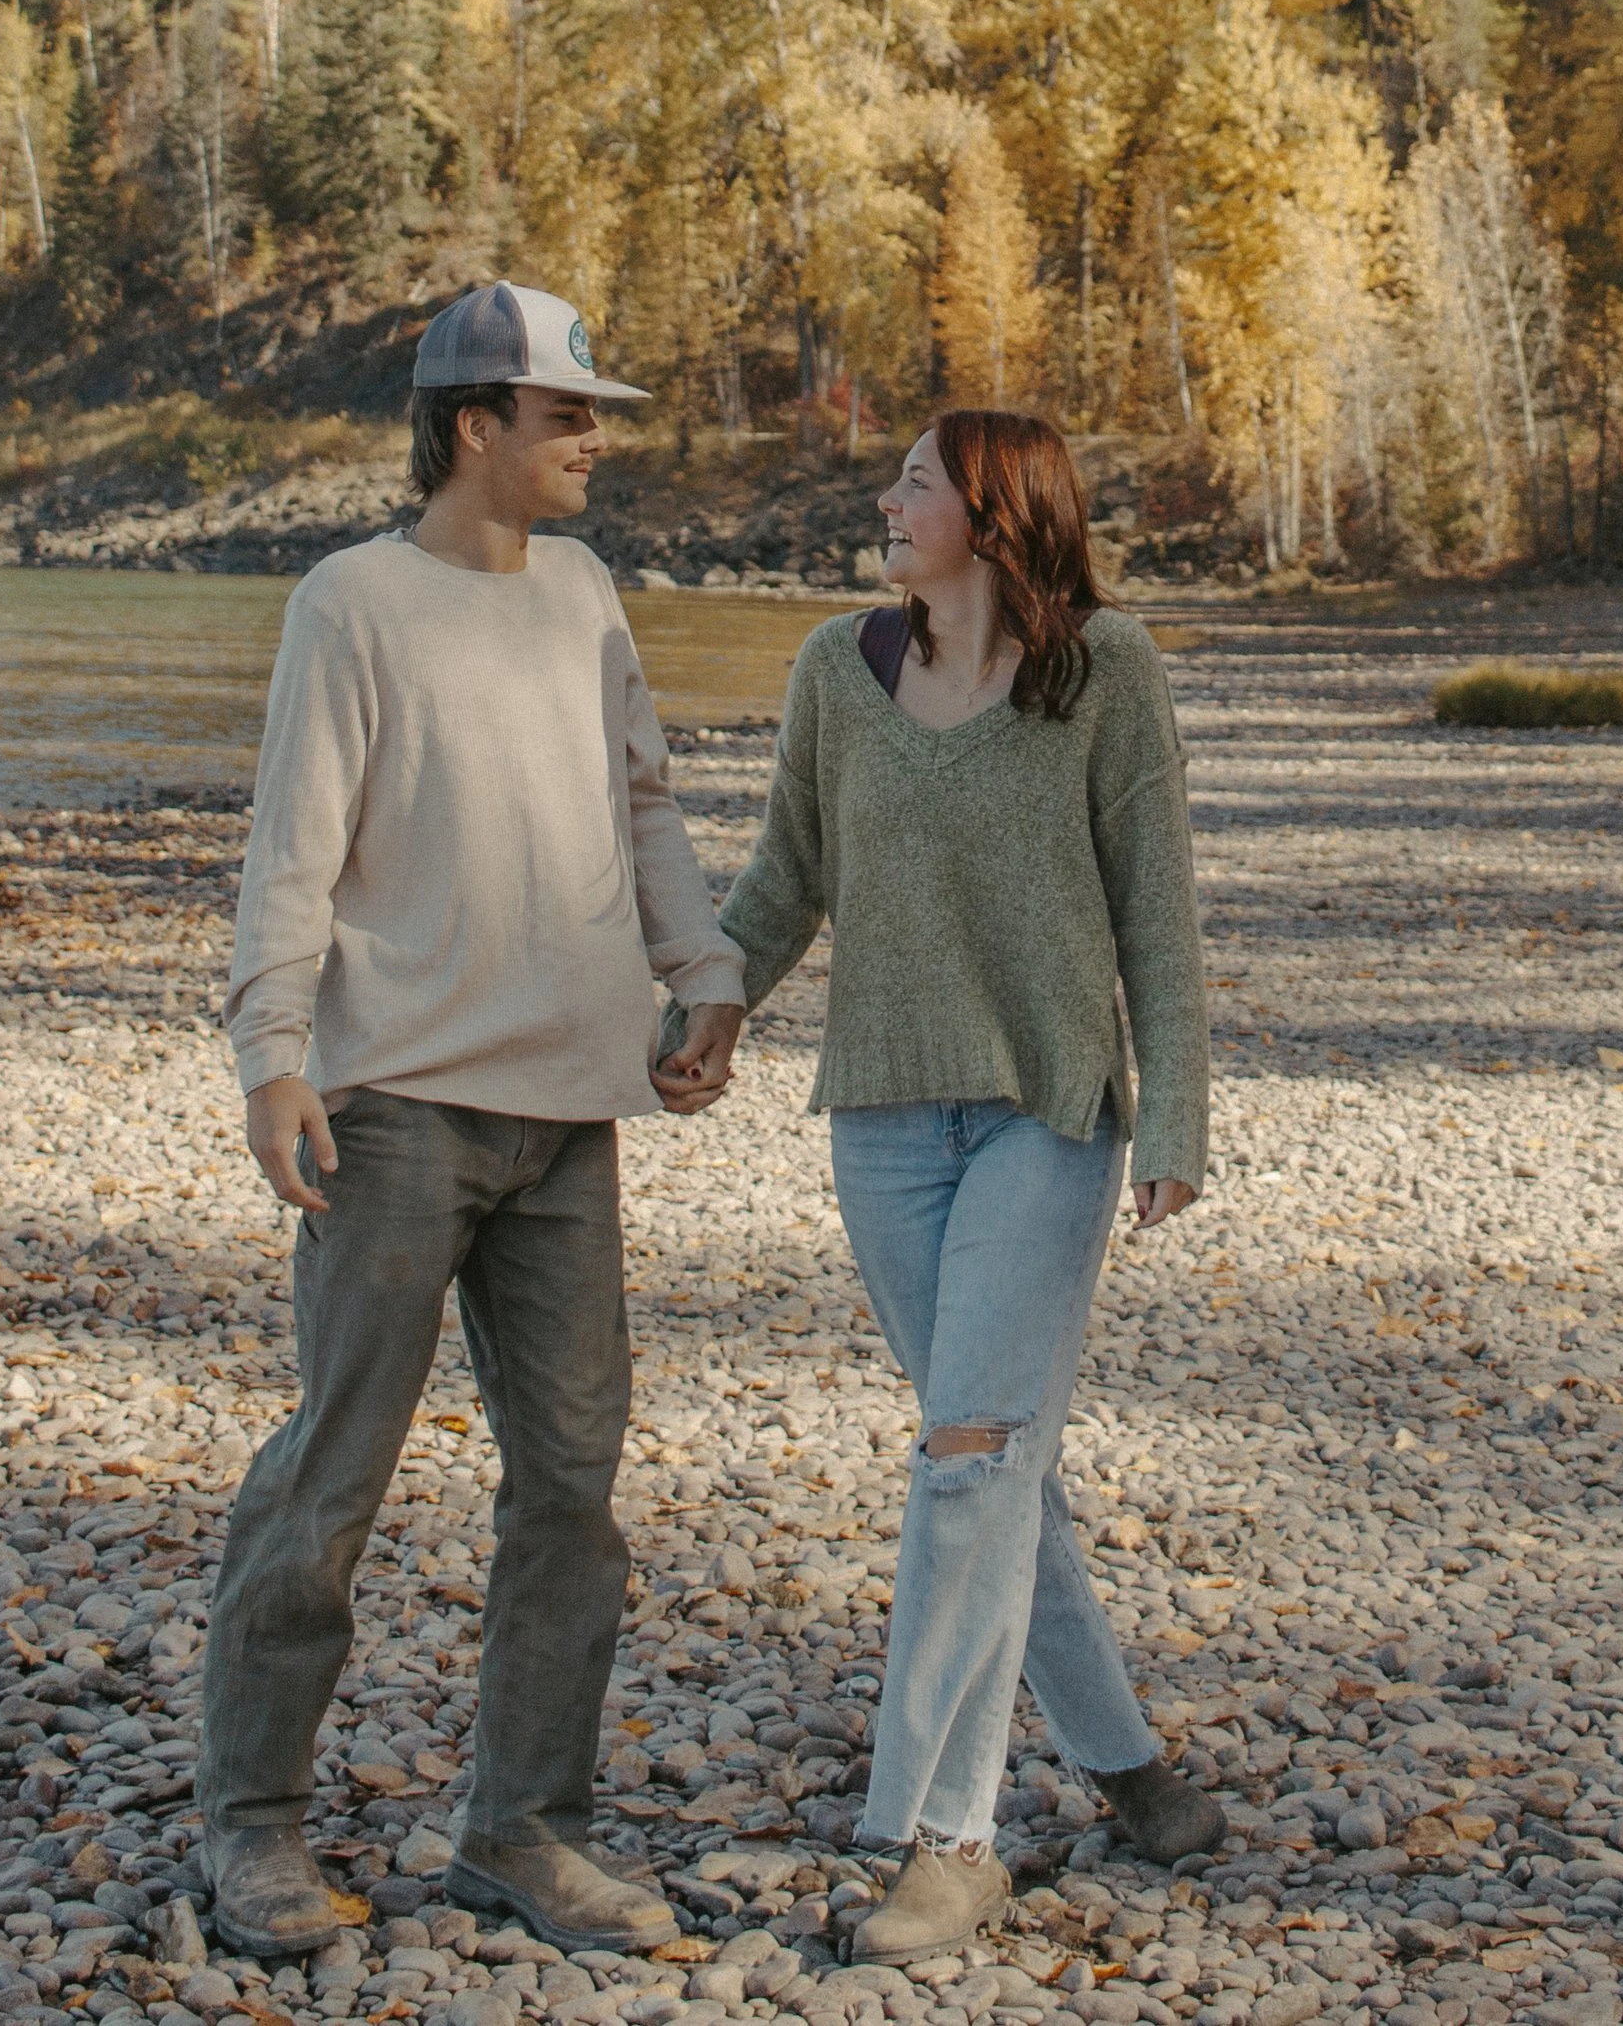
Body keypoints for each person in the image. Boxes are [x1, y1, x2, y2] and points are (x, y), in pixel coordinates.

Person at [196, 281, 748, 1963]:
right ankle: (254, 1826)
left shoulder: (583, 594)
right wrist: (272, 1051)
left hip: (572, 1112)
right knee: (337, 1468)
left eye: (593, 411)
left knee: (572, 1483)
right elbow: (294, 842)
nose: (594, 438)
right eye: (567, 410)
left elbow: (641, 797)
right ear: (470, 425)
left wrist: (704, 960)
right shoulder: (349, 603)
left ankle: (525, 1824)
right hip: (400, 1113)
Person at [704, 407, 1221, 1964]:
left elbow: (1160, 910)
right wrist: (710, 1004)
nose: (885, 499)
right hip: (880, 1123)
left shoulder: (1104, 673)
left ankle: (943, 1836)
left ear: (993, 516)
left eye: (913, 481)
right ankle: (1134, 1771)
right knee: (985, 1466)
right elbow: (782, 877)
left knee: (972, 1458)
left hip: (1047, 1120)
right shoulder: (830, 677)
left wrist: (1178, 1113)